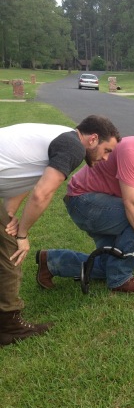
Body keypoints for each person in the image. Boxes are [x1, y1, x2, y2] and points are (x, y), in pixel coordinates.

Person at [0, 116, 121, 345]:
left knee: (7, 244)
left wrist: (10, 216)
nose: (106, 158)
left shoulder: (61, 136)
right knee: (12, 247)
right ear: (93, 139)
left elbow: (23, 178)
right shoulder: (73, 146)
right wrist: (23, 234)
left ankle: (8, 323)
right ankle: (9, 325)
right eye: (106, 150)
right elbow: (42, 193)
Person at [36, 122, 134, 294]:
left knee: (108, 263)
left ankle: (50, 261)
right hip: (83, 202)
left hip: (109, 207)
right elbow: (132, 204)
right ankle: (119, 278)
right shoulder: (133, 151)